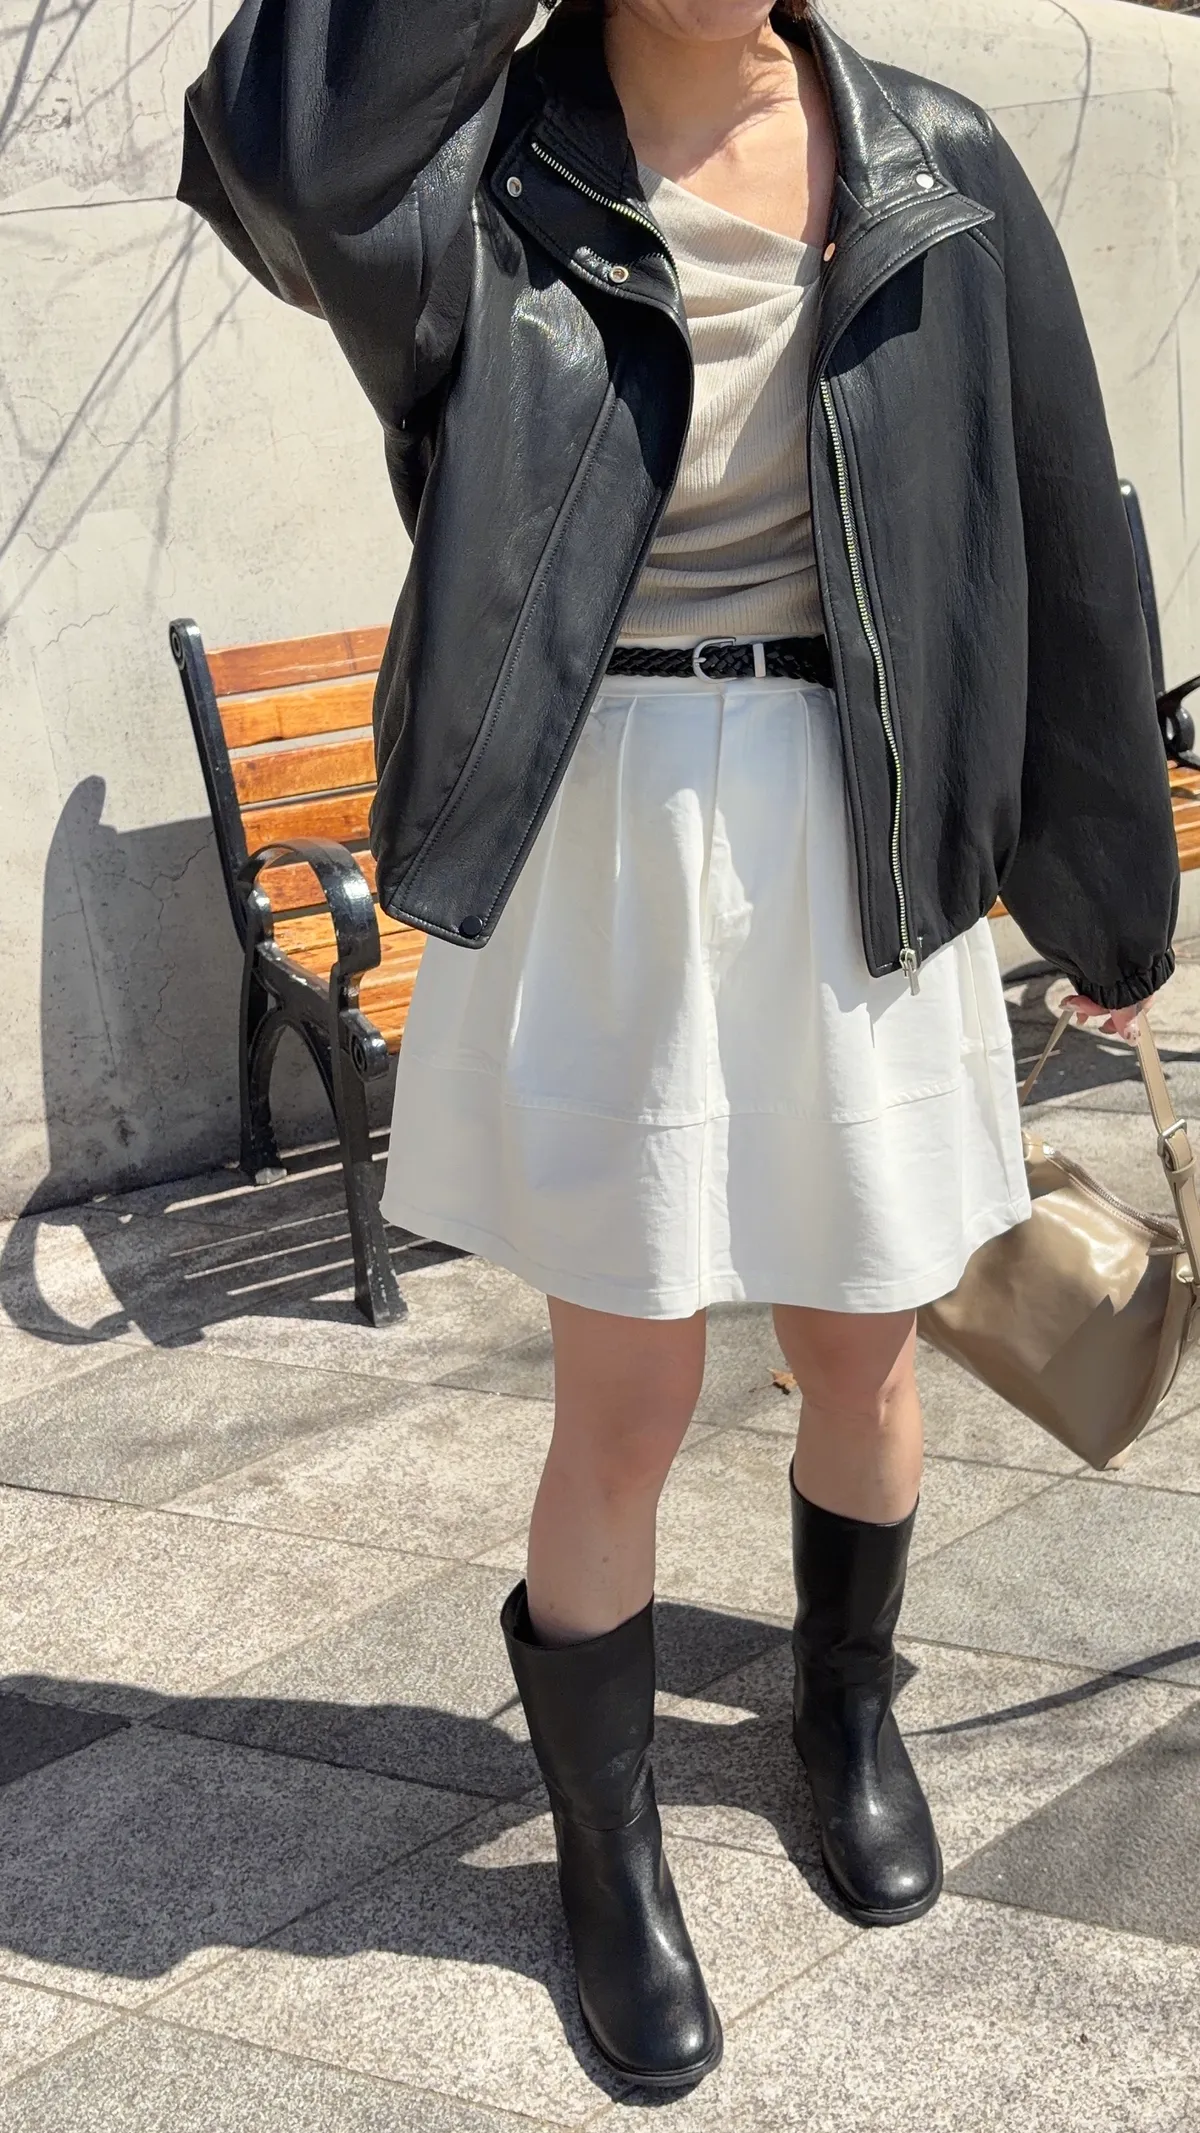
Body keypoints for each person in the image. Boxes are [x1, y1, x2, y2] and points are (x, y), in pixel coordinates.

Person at [179, 0, 1178, 2091]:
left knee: (866, 1343)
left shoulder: (933, 158)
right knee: (622, 1392)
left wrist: (1110, 889)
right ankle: (607, 1854)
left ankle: (849, 1710)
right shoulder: (483, 169)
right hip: (610, 813)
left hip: (862, 808)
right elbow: (281, 151)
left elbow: (1058, 523)